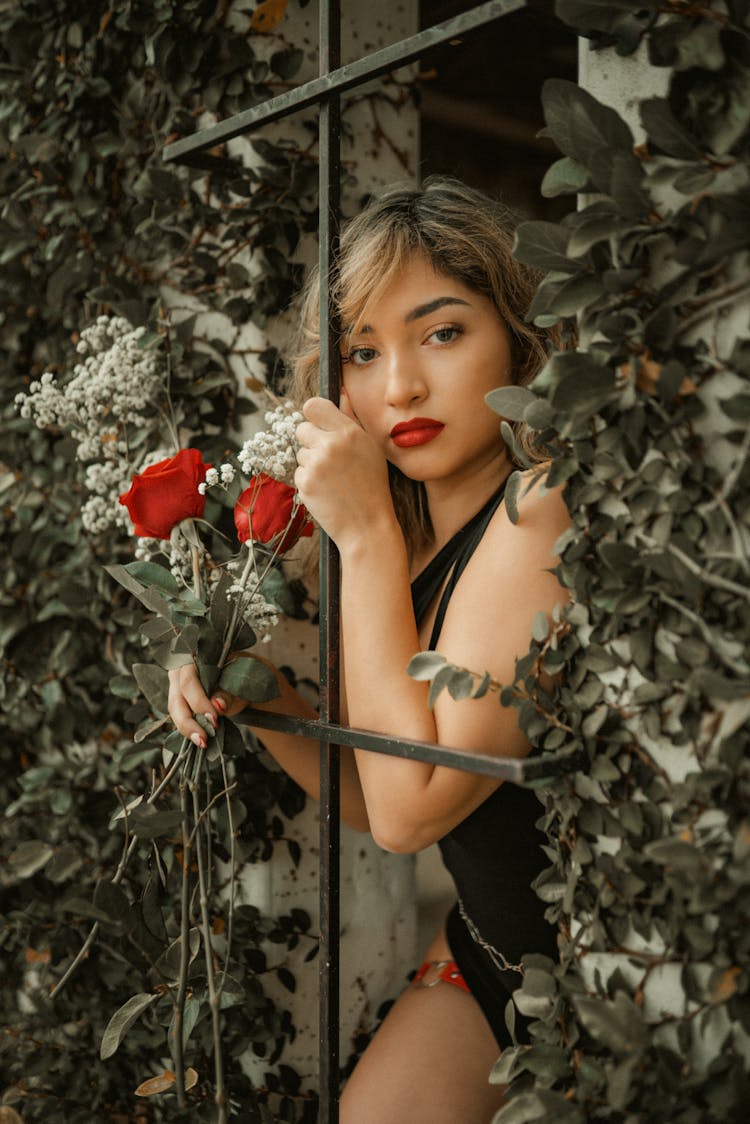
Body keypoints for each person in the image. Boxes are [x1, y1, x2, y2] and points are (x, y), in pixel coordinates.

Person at [168, 177, 570, 1123]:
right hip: (489, 949)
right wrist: (253, 695)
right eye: (361, 351)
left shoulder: (541, 505)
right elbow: (371, 786)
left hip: (598, 971)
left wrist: (365, 539)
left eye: (442, 332)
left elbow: (408, 811)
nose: (399, 388)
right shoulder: (413, 540)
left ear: (519, 336)